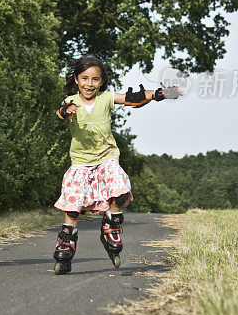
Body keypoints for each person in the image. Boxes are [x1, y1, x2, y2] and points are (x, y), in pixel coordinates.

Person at [52, 55, 180, 275]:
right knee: (73, 206)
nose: (89, 84)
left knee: (120, 190)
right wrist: (65, 112)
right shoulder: (71, 100)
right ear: (76, 79)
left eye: (95, 79)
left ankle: (111, 224)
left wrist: (159, 94)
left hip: (107, 158)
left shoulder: (106, 98)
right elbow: (59, 114)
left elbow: (134, 98)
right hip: (81, 163)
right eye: (84, 78)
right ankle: (67, 242)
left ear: (101, 82)